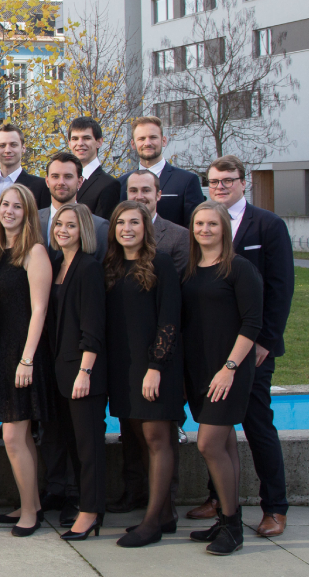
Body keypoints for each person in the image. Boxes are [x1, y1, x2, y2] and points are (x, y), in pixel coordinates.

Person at [187, 156, 294, 537]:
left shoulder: (267, 224)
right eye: (213, 181)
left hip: (251, 350)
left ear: (242, 182)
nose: (220, 186)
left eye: (227, 180)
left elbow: (280, 288)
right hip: (210, 354)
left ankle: (274, 507)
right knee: (222, 432)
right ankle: (220, 502)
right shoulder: (199, 236)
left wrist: (265, 341)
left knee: (257, 423)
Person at [181, 201, 263, 556]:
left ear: (224, 228)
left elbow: (252, 323)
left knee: (209, 444)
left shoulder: (239, 269)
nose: (204, 230)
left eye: (212, 224)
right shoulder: (188, 269)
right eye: (199, 224)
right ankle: (228, 520)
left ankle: (232, 526)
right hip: (198, 368)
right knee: (225, 444)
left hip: (227, 370)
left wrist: (229, 368)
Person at [110, 169, 190, 515]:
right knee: (135, 439)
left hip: (155, 367)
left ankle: (160, 516)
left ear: (146, 228)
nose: (127, 229)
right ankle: (144, 503)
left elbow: (169, 320)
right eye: (121, 223)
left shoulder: (160, 263)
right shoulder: (111, 267)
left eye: (134, 223)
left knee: (158, 440)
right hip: (125, 370)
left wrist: (156, 367)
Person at [37, 151, 107, 525]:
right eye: (59, 225)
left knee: (88, 445)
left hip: (83, 371)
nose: (63, 230)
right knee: (63, 437)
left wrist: (85, 371)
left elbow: (93, 327)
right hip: (60, 367)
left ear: (84, 229)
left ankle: (90, 511)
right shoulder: (59, 263)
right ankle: (67, 496)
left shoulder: (89, 268)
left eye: (71, 226)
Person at [0, 183, 53, 536]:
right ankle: (32, 502)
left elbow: (40, 310)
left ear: (28, 213)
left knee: (14, 436)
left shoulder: (34, 252)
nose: (9, 211)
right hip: (3, 350)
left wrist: (26, 360)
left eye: (17, 207)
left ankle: (30, 512)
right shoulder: (0, 250)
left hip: (23, 353)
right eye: (5, 205)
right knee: (20, 437)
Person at [118, 116, 205, 227]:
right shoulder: (121, 183)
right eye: (141, 139)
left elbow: (194, 226)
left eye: (153, 137)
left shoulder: (186, 181)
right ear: (133, 144)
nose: (147, 143)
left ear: (163, 141)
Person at [39, 152, 109, 261]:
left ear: (80, 182)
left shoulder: (99, 227)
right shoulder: (32, 220)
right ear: (47, 181)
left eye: (68, 177)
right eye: (55, 176)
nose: (61, 182)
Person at [65, 117, 121, 221]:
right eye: (75, 139)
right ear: (69, 143)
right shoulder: (62, 181)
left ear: (99, 142)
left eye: (86, 138)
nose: (80, 143)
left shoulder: (109, 185)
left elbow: (103, 228)